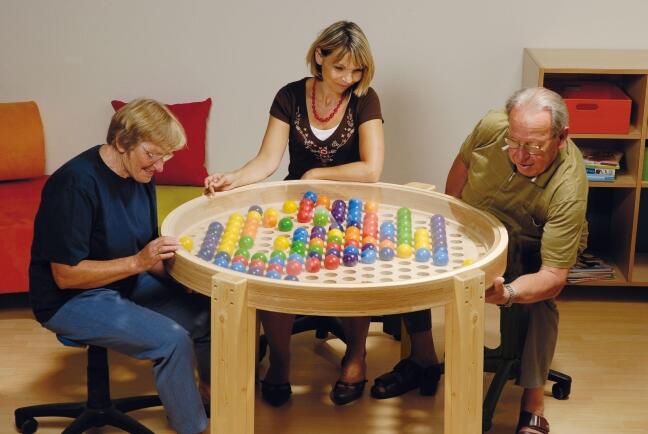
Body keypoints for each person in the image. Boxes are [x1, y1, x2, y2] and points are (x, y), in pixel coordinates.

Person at [371, 87, 587, 434]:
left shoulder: (569, 187)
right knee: (413, 255)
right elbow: (462, 168)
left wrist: (509, 293)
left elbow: (553, 275)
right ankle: (422, 358)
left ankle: (533, 400)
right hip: (477, 226)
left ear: (561, 138)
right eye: (514, 142)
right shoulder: (492, 126)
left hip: (530, 243)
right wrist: (447, 220)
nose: (520, 155)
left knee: (540, 299)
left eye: (534, 146)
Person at [205, 20, 384, 406]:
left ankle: (356, 355)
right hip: (299, 203)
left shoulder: (365, 98)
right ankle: (281, 358)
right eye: (339, 67)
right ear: (319, 56)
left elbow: (371, 169)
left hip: (351, 204)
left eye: (357, 70)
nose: (348, 78)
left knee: (357, 269)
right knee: (274, 270)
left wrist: (316, 175)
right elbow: (267, 160)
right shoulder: (289, 95)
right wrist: (233, 178)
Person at [29, 99, 211, 434]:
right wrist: (138, 262)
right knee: (172, 341)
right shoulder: (75, 184)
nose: (160, 167)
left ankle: (205, 397)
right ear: (123, 141)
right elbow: (65, 275)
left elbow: (145, 247)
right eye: (152, 154)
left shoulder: (140, 174)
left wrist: (182, 279)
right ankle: (193, 428)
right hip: (69, 299)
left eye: (166, 157)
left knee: (204, 313)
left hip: (124, 280)